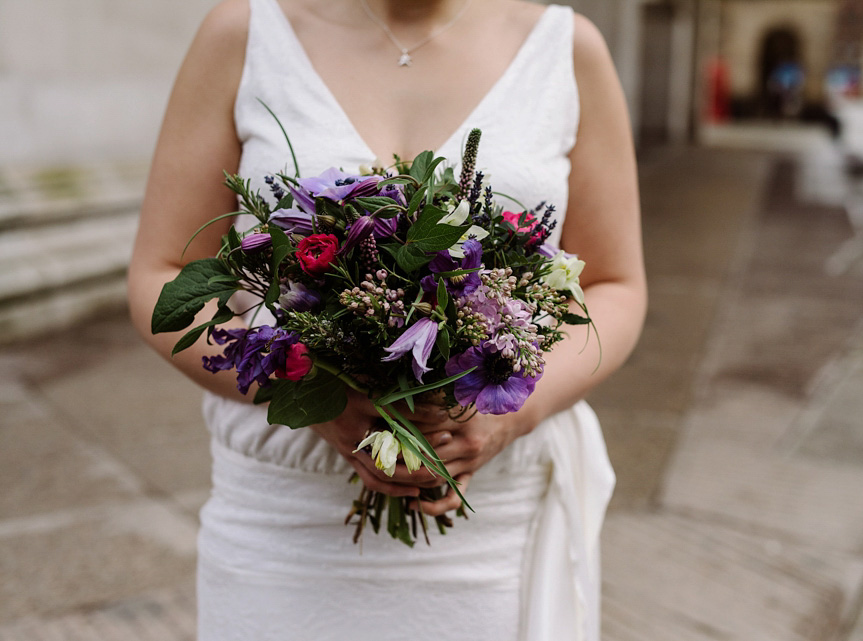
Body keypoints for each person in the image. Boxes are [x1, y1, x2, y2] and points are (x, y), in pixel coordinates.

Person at [126, 0, 646, 639]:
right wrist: (307, 392)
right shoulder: (245, 34)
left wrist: (508, 417)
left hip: (490, 524)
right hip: (285, 524)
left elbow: (615, 285)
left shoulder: (567, 50)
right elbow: (163, 272)